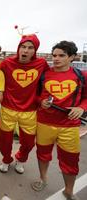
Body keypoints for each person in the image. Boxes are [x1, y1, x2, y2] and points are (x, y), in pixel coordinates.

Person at [31, 41, 87, 200]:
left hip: (69, 126)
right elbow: (35, 96)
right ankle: (43, 179)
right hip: (44, 123)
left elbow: (86, 98)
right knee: (43, 155)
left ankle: (69, 190)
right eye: (54, 55)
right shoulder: (44, 74)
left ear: (72, 57)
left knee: (70, 160)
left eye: (61, 55)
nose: (56, 59)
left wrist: (81, 108)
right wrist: (41, 101)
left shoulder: (81, 75)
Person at [0, 34, 49, 174]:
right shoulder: (7, 63)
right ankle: (6, 159)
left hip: (30, 110)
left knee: (28, 142)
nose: (25, 51)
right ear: (19, 48)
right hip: (8, 108)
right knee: (5, 141)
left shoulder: (42, 64)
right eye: (23, 47)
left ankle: (21, 159)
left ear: (35, 50)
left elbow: (47, 83)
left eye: (30, 48)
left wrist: (42, 99)